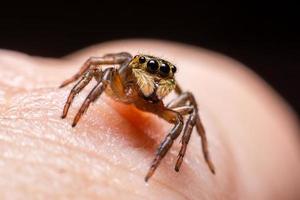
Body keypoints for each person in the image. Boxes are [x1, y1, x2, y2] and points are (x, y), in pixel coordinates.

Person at [0, 39, 299, 199]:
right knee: (102, 68)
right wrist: (72, 102)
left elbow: (187, 106)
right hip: (125, 95)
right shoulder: (119, 78)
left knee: (188, 111)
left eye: (164, 73)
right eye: (150, 69)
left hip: (154, 109)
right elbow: (95, 64)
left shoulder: (170, 101)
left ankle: (169, 160)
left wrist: (198, 155)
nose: (156, 77)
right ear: (138, 68)